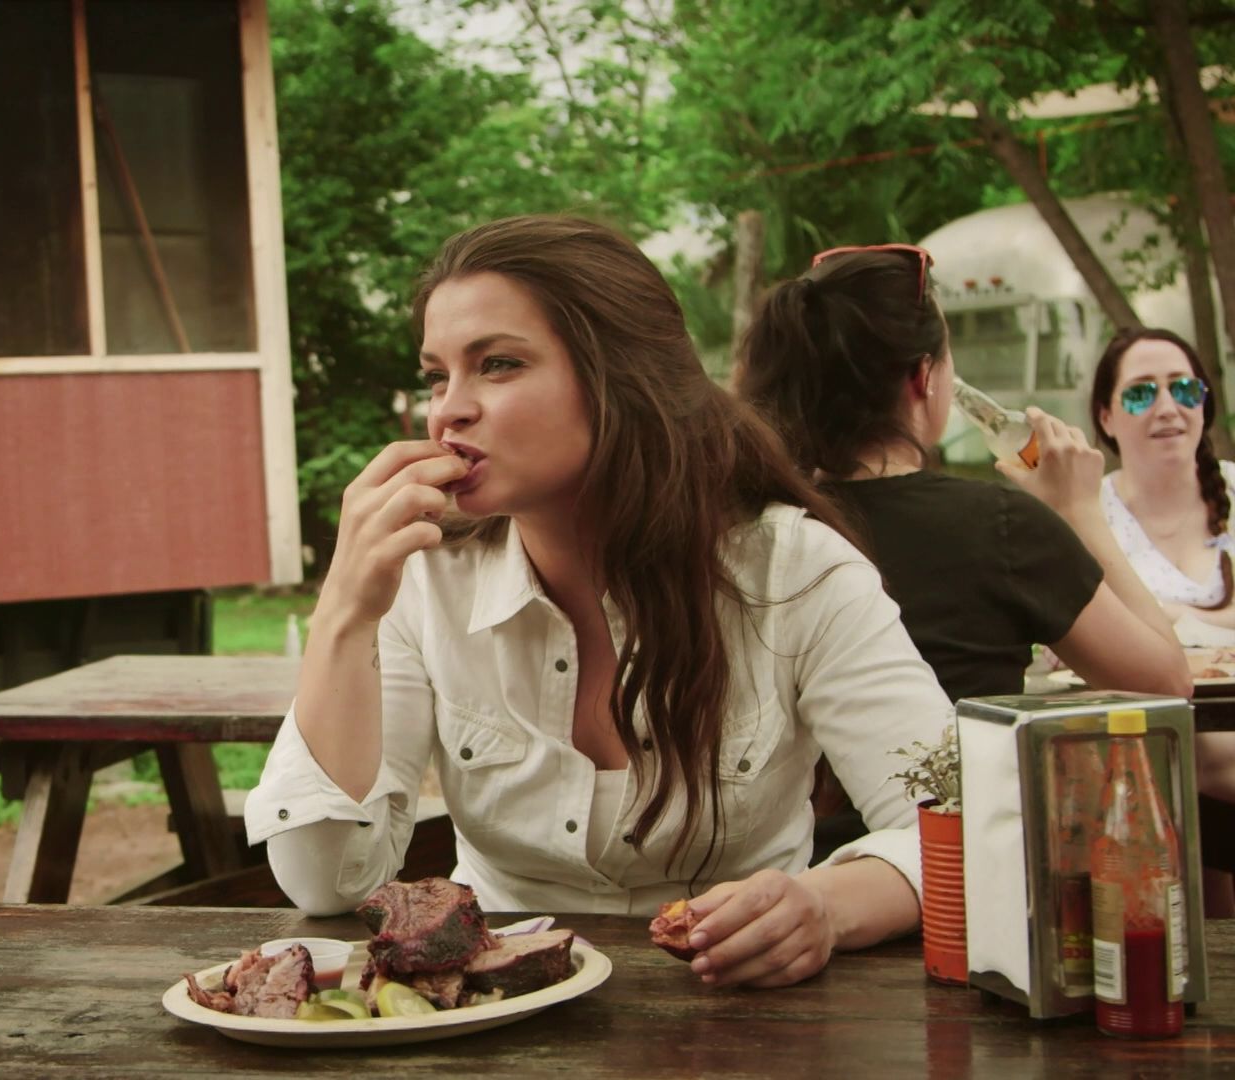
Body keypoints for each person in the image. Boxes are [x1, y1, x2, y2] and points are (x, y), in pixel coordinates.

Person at [246, 215, 956, 991]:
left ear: (621, 375)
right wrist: (345, 612)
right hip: (495, 1009)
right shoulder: (428, 580)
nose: (449, 410)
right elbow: (325, 883)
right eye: (436, 376)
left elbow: (963, 830)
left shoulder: (796, 572)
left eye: (498, 364)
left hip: (736, 1010)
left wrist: (824, 906)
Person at [735, 245, 1189, 707]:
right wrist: (1080, 509)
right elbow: (1166, 682)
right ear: (924, 376)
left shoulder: (759, 527)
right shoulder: (1002, 529)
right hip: (959, 759)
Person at [1089, 328, 1235, 640]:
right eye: (1140, 394)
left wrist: (1167, 617)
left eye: (1184, 389)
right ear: (1106, 418)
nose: (1168, 409)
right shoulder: (1087, 515)